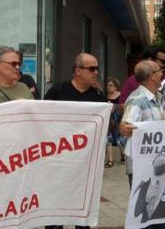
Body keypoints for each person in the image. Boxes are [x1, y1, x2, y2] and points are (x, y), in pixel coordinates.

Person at [43, 52, 104, 229]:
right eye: (92, 68)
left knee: (83, 204)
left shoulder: (98, 95)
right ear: (78, 70)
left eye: (97, 68)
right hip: (58, 158)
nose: (96, 72)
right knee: (56, 201)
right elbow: (43, 119)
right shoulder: (58, 90)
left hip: (85, 162)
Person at [119, 60, 165, 229]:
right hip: (142, 168)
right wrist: (124, 126)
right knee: (145, 215)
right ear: (151, 76)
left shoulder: (157, 98)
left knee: (156, 214)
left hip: (155, 165)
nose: (163, 73)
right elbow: (126, 126)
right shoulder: (137, 100)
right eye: (159, 70)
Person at [132, 154, 165, 223]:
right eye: (158, 158)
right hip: (145, 225)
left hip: (161, 224)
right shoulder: (145, 184)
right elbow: (136, 213)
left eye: (162, 160)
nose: (160, 158)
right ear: (153, 164)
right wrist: (147, 198)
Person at [105, 77, 125, 168]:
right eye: (108, 85)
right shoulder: (106, 96)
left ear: (116, 87)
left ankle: (123, 154)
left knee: (119, 140)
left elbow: (124, 108)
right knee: (108, 139)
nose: (108, 87)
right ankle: (110, 160)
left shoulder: (121, 96)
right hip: (108, 121)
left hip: (117, 121)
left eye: (110, 85)